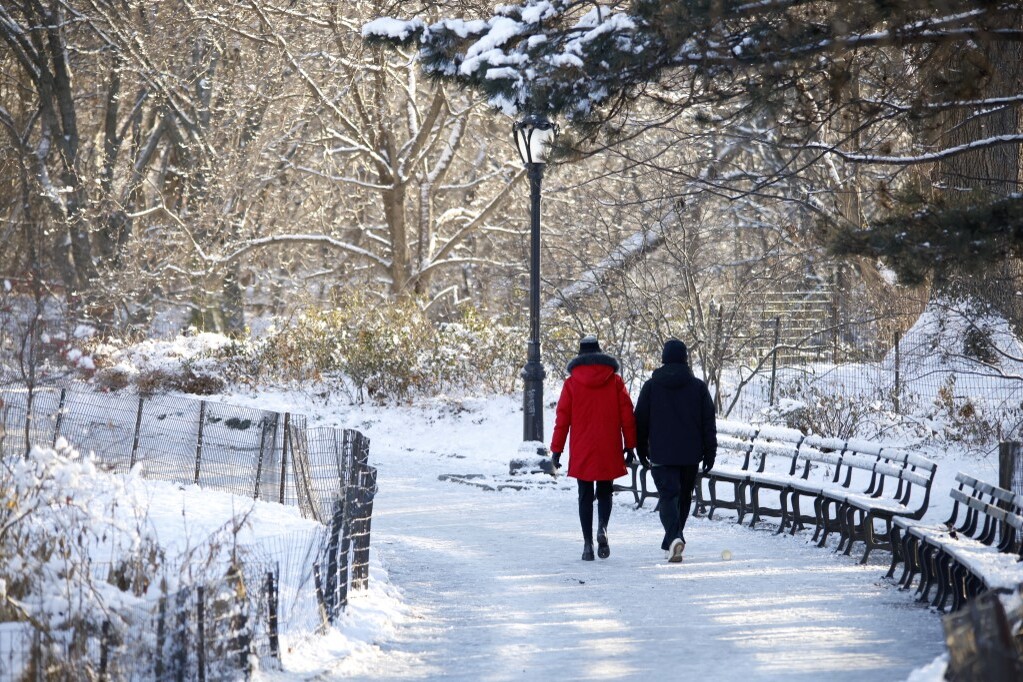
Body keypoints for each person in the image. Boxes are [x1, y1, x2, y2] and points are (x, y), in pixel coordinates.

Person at [550, 335, 637, 561]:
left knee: (584, 495)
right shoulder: (615, 381)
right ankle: (603, 528)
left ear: (579, 356)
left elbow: (562, 419)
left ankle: (588, 545)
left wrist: (556, 451)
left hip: (582, 447)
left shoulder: (571, 384)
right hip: (608, 445)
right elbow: (627, 415)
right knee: (605, 491)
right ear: (600, 353)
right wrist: (630, 445)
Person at [634, 338, 717, 563]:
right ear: (685, 359)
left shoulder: (651, 387)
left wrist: (641, 449)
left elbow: (640, 420)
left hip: (661, 453)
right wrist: (710, 452)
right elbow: (708, 422)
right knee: (683, 497)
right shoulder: (698, 387)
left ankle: (673, 538)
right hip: (690, 455)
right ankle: (673, 540)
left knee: (668, 497)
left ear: (663, 359)